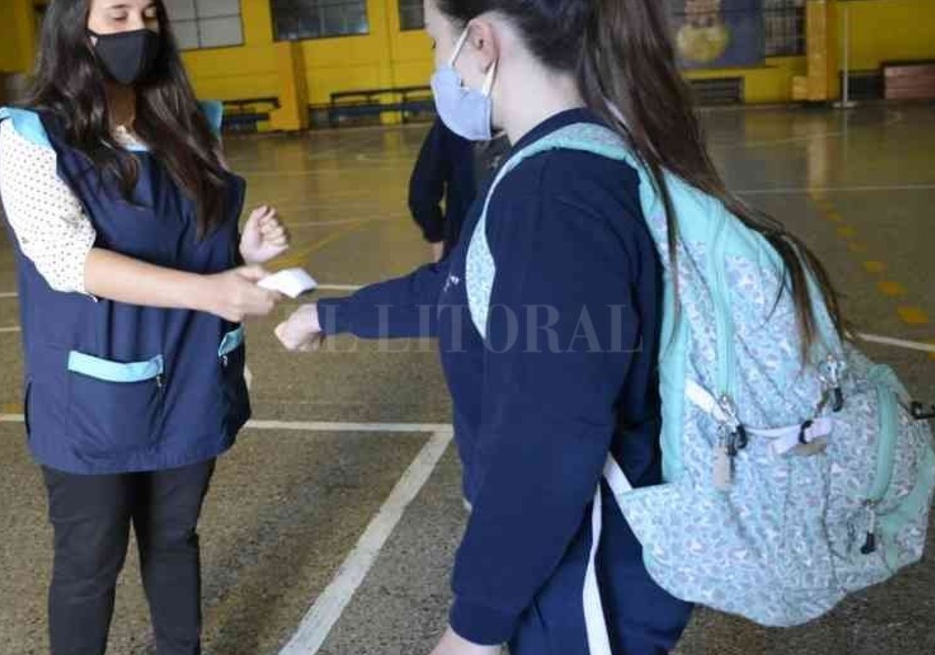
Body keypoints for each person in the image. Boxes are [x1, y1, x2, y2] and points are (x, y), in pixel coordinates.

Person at [275, 0, 844, 654]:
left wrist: (473, 629)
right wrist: (332, 314)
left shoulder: (554, 193)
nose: (439, 68)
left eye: (437, 44)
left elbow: (548, 435)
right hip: (587, 555)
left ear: (481, 43)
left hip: (588, 571)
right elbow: (459, 287)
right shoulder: (572, 154)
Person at [0, 1, 288, 652]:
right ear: (76, 30)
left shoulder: (193, 129)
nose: (139, 31)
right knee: (89, 561)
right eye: (117, 15)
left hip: (189, 384)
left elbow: (201, 247)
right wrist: (209, 291)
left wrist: (244, 255)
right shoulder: (32, 137)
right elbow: (67, 259)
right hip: (93, 399)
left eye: (148, 13)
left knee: (174, 536)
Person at [408, 117, 509, 262]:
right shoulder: (541, 115)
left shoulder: (455, 118)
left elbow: (421, 194)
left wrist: (436, 236)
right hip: (526, 252)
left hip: (464, 250)